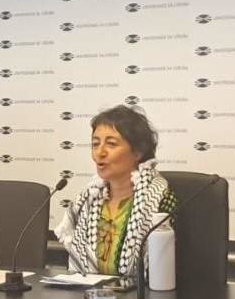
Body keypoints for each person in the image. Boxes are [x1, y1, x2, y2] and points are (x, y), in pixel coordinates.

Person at [55, 105, 177, 286]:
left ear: (138, 152)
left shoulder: (161, 200)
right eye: (95, 144)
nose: (100, 152)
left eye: (111, 144)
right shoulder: (86, 200)